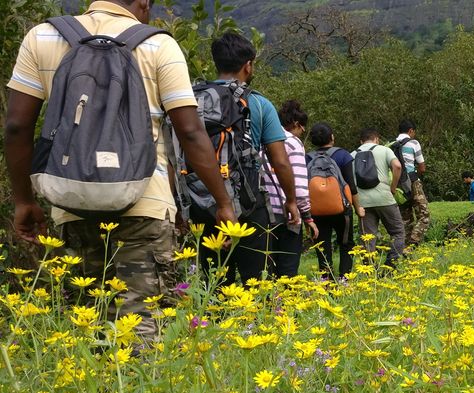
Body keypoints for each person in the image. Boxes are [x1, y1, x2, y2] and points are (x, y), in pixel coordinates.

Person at [4, 0, 238, 338]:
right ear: (143, 2)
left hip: (73, 202)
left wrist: (24, 201)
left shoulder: (42, 37)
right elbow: (190, 131)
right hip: (145, 204)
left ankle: (98, 389)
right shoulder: (159, 44)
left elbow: (16, 127)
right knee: (143, 326)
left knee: (89, 326)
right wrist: (223, 202)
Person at [194, 31, 300, 284]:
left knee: (215, 282)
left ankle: (216, 321)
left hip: (204, 202)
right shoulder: (259, 103)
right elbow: (280, 161)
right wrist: (292, 201)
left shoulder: (193, 100)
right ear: (248, 65)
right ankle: (257, 323)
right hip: (248, 201)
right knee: (258, 278)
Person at [262, 100, 317, 278]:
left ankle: (268, 305)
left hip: (262, 213)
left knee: (266, 271)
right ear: (296, 124)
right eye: (303, 129)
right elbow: (299, 185)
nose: (303, 133)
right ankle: (285, 305)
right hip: (286, 214)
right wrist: (307, 216)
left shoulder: (263, 139)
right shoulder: (293, 142)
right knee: (287, 271)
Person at [308, 122, 362, 280]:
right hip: (342, 210)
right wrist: (358, 208)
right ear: (331, 137)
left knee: (322, 245)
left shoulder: (307, 157)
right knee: (346, 243)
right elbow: (351, 185)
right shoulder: (343, 155)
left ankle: (326, 280)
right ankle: (345, 278)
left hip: (316, 211)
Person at [353, 128, 405, 267]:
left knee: (367, 239)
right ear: (376, 139)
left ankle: (371, 272)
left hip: (362, 202)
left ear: (361, 141)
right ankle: (390, 267)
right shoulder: (384, 150)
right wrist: (393, 187)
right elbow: (397, 166)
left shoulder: (352, 155)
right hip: (384, 198)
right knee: (398, 232)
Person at [394, 120, 430, 247]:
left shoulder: (391, 145)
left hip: (397, 186)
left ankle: (403, 248)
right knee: (424, 216)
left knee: (405, 219)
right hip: (412, 182)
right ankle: (413, 243)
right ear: (411, 131)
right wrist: (416, 178)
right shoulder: (413, 143)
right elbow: (422, 167)